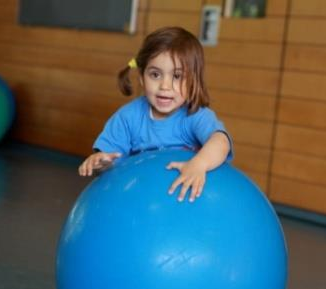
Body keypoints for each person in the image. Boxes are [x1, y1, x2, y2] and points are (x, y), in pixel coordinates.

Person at [78, 26, 232, 202]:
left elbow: (221, 142)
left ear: (193, 81)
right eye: (155, 74)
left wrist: (198, 165)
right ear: (142, 77)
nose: (165, 86)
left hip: (187, 203)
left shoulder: (195, 115)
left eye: (177, 76)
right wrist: (101, 164)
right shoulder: (128, 117)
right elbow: (107, 166)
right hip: (141, 202)